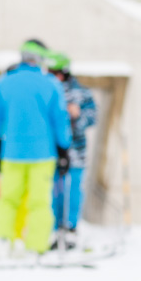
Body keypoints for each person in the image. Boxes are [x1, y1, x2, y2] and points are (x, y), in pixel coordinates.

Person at [0, 40, 72, 258]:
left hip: (12, 153)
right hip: (43, 154)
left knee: (8, 199)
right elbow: (60, 119)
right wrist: (64, 148)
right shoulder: (50, 83)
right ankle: (35, 246)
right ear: (40, 59)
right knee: (40, 202)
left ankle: (1, 239)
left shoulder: (5, 82)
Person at [46, 50, 97, 249]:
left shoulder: (81, 92)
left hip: (76, 152)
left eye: (57, 72)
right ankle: (53, 231)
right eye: (51, 71)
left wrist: (77, 116)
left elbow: (93, 116)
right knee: (52, 193)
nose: (54, 75)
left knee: (73, 191)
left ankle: (71, 229)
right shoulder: (48, 89)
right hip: (52, 152)